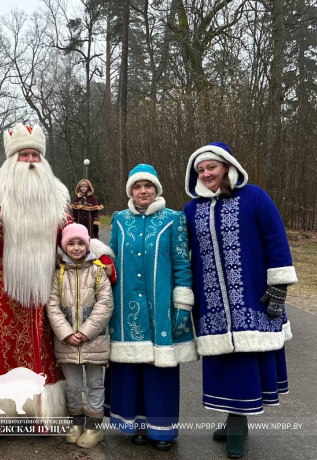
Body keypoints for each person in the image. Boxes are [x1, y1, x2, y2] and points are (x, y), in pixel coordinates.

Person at [183, 143, 297, 459]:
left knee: (245, 361)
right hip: (213, 304)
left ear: (226, 166)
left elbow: (276, 240)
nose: (206, 174)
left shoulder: (254, 197)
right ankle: (236, 418)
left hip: (253, 299)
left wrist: (279, 287)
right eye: (200, 170)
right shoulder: (192, 209)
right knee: (223, 363)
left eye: (211, 167)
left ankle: (236, 424)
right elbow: (183, 253)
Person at [0, 122, 73, 421]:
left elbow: (70, 236)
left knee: (41, 346)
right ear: (12, 159)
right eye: (25, 155)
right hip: (1, 285)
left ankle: (39, 410)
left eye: (36, 155)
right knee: (0, 344)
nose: (32, 161)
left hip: (43, 287)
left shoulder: (58, 195)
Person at [105, 164, 197, 451]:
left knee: (160, 368)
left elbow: (182, 263)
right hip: (125, 306)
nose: (142, 191)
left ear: (156, 189)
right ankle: (137, 425)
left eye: (148, 186)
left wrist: (182, 303)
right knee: (131, 368)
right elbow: (111, 258)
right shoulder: (119, 220)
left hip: (161, 306)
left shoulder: (174, 220)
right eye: (137, 186)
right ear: (130, 191)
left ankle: (163, 430)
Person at [46, 223, 113, 448]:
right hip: (67, 343)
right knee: (72, 385)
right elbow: (52, 306)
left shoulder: (98, 271)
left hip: (94, 340)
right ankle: (76, 422)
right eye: (71, 244)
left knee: (95, 383)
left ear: (87, 245)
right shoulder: (58, 273)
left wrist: (85, 332)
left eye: (80, 243)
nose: (76, 248)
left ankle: (94, 427)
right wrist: (66, 333)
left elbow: (105, 305)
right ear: (64, 247)